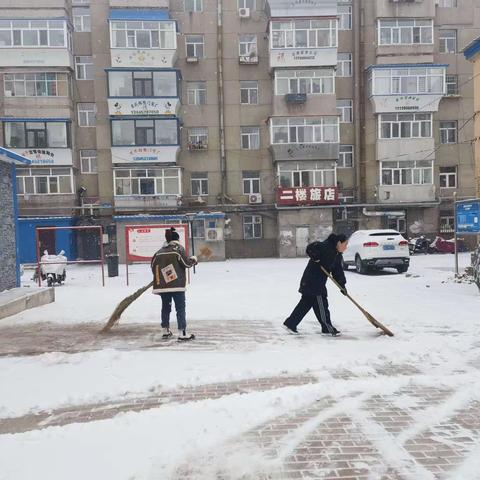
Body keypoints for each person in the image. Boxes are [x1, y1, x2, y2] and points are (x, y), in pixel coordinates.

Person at [283, 233, 349, 337]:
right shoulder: (326, 246)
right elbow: (311, 248)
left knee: (305, 304)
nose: (346, 247)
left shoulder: (337, 255)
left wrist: (342, 286)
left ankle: (291, 323)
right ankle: (327, 328)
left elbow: (338, 272)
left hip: (315, 282)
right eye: (345, 244)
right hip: (313, 282)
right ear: (339, 243)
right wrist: (316, 256)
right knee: (321, 304)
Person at [151, 227, 198, 341]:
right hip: (177, 286)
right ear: (177, 239)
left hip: (163, 287)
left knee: (166, 308)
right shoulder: (178, 249)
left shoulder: (159, 252)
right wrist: (193, 260)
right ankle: (182, 333)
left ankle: (165, 331)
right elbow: (186, 264)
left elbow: (153, 267)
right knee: (180, 308)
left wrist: (163, 277)